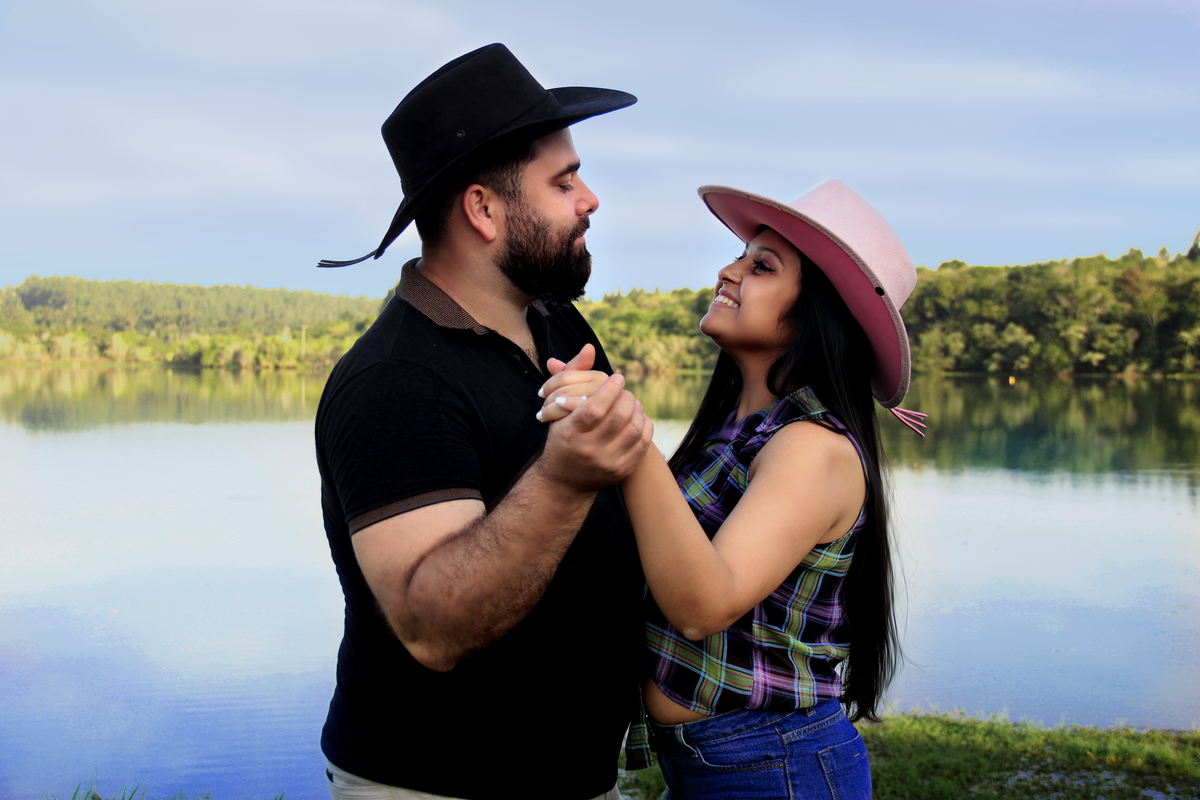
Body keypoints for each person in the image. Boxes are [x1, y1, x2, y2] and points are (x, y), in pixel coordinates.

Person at [313, 44, 653, 800]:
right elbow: (432, 626)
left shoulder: (556, 322)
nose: (590, 198)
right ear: (484, 209)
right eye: (564, 181)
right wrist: (566, 480)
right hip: (437, 783)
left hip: (569, 773)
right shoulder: (395, 378)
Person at [538, 180, 924, 798]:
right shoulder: (738, 433)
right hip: (717, 763)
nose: (728, 270)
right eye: (742, 255)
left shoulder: (812, 449)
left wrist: (631, 446)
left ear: (819, 311)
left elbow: (703, 605)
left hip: (773, 764)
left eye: (761, 266)